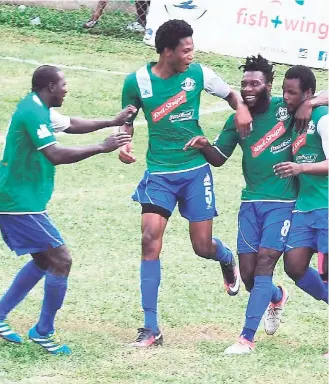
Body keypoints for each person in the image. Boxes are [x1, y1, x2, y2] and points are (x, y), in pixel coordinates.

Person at [119, 19, 253, 347]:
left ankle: (225, 259)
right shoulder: (137, 81)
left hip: (195, 172)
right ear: (167, 52)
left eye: (192, 49)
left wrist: (242, 109)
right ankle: (151, 327)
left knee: (201, 246)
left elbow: (232, 95)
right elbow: (128, 119)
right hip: (159, 173)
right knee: (150, 239)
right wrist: (124, 140)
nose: (192, 55)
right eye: (186, 50)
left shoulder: (200, 75)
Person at [184, 55, 327, 354]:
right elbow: (220, 159)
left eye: (255, 83)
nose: (248, 89)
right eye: (244, 83)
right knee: (249, 275)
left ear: (268, 85)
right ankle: (276, 296)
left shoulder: (286, 107)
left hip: (286, 202)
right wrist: (204, 145)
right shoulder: (238, 118)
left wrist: (309, 103)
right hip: (250, 203)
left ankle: (245, 339)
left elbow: (309, 100)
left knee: (265, 265)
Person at [0, 65, 135, 355]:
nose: (66, 89)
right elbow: (55, 154)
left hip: (24, 199)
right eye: (63, 84)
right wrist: (101, 147)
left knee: (42, 260)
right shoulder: (32, 112)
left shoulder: (39, 107)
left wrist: (111, 121)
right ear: (50, 87)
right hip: (17, 202)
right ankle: (43, 331)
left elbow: (71, 124)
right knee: (61, 260)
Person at [273, 65, 328, 356]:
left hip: (327, 205)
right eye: (283, 90)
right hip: (304, 208)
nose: (285, 97)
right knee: (294, 267)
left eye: (292, 92)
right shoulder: (294, 117)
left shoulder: (322, 117)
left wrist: (301, 167)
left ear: (308, 93)